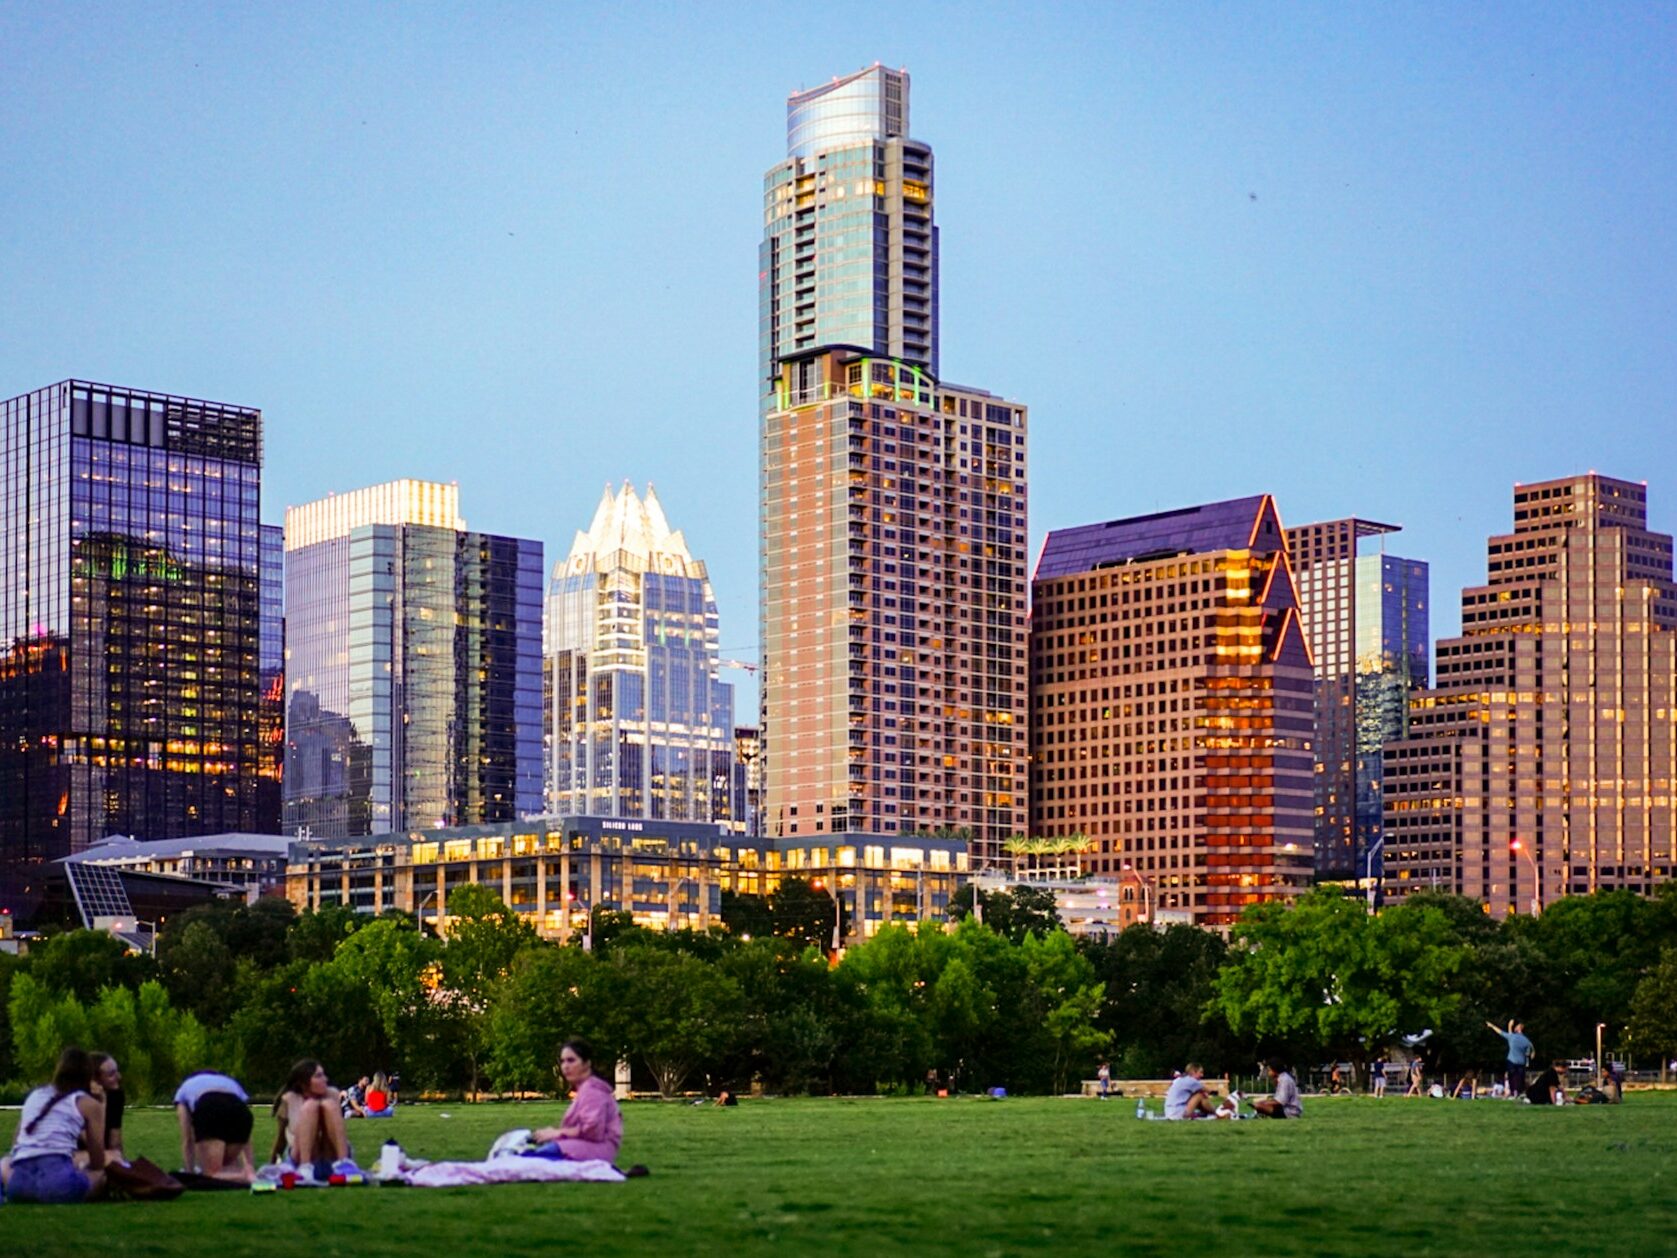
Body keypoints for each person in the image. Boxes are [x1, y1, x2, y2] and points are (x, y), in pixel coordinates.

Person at [3, 1047, 107, 1203]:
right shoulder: (87, 1103)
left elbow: (16, 1144)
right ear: (88, 1075)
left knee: (5, 1161)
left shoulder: (35, 1095)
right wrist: (102, 1103)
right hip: (58, 1186)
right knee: (100, 1175)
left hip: (19, 1186)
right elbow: (98, 1160)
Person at [531, 1038, 624, 1161]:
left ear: (586, 1063)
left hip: (596, 1150)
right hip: (582, 1146)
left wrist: (557, 1133)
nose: (565, 1066)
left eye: (571, 1060)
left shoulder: (593, 1091)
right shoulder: (585, 1089)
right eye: (563, 1061)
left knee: (527, 1160)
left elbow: (592, 1131)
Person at [272, 1059, 360, 1181]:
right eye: (318, 1076)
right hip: (299, 1156)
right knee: (310, 1106)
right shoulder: (290, 1100)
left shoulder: (332, 1094)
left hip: (330, 1156)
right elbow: (281, 1139)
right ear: (303, 1083)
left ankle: (344, 1164)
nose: (325, 1079)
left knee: (328, 1105)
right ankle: (305, 1167)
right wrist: (272, 1165)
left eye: (323, 1074)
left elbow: (335, 1133)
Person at [174, 1069, 255, 1183]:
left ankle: (244, 1175)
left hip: (210, 1106)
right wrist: (249, 1164)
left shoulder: (184, 1088)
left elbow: (187, 1138)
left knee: (211, 1174)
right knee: (226, 1165)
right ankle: (248, 1173)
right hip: (240, 1110)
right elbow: (247, 1138)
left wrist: (190, 1172)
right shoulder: (230, 1082)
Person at [86, 1053, 126, 1167]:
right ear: (94, 1080)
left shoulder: (116, 1096)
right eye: (111, 1074)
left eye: (117, 1071)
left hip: (105, 1154)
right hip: (76, 1154)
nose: (119, 1077)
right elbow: (95, 1144)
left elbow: (115, 1142)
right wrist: (101, 1103)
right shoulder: (81, 1102)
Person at [1162, 1063, 1230, 1120]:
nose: (1202, 1075)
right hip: (1178, 1113)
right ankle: (1219, 1114)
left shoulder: (1181, 1080)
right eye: (1200, 1072)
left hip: (1170, 1112)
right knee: (1200, 1095)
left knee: (1196, 1095)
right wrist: (1222, 1093)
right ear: (1193, 1072)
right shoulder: (1192, 1081)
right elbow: (1209, 1091)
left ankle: (1210, 1113)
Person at [1488, 1019, 1533, 1096]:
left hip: (1512, 1061)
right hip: (1521, 1062)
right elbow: (1529, 1053)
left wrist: (1492, 1026)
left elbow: (1500, 1032)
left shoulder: (1512, 1037)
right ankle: (1518, 1093)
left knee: (1512, 1078)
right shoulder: (1527, 1041)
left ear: (1520, 1028)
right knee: (1520, 1079)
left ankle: (1513, 1092)